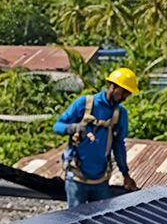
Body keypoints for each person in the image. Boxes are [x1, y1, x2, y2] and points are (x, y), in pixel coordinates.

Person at [53, 67, 141, 207]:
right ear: (113, 86)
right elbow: (57, 126)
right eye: (123, 92)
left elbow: (118, 146)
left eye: (128, 94)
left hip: (100, 180)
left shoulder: (120, 114)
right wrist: (73, 128)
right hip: (77, 178)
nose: (125, 97)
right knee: (76, 223)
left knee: (101, 223)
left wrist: (125, 174)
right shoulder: (84, 104)